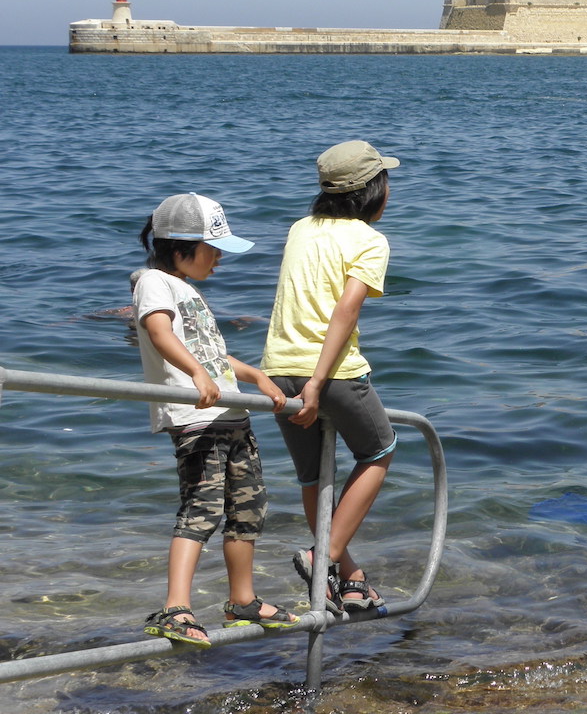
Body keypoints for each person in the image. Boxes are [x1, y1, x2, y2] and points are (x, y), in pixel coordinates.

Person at [134, 193, 297, 647]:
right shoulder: (153, 282)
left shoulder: (190, 292)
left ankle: (241, 600)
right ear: (179, 245)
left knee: (249, 509)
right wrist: (194, 372)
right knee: (201, 511)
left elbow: (215, 355)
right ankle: (175, 608)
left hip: (233, 415)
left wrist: (256, 375)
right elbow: (159, 332)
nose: (220, 259)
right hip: (196, 417)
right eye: (213, 248)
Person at [262, 140, 400, 613]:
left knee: (315, 477)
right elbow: (346, 309)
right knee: (379, 451)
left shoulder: (300, 227)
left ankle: (348, 576)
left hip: (277, 369)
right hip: (332, 373)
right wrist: (319, 382)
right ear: (371, 191)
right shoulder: (370, 240)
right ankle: (325, 555)